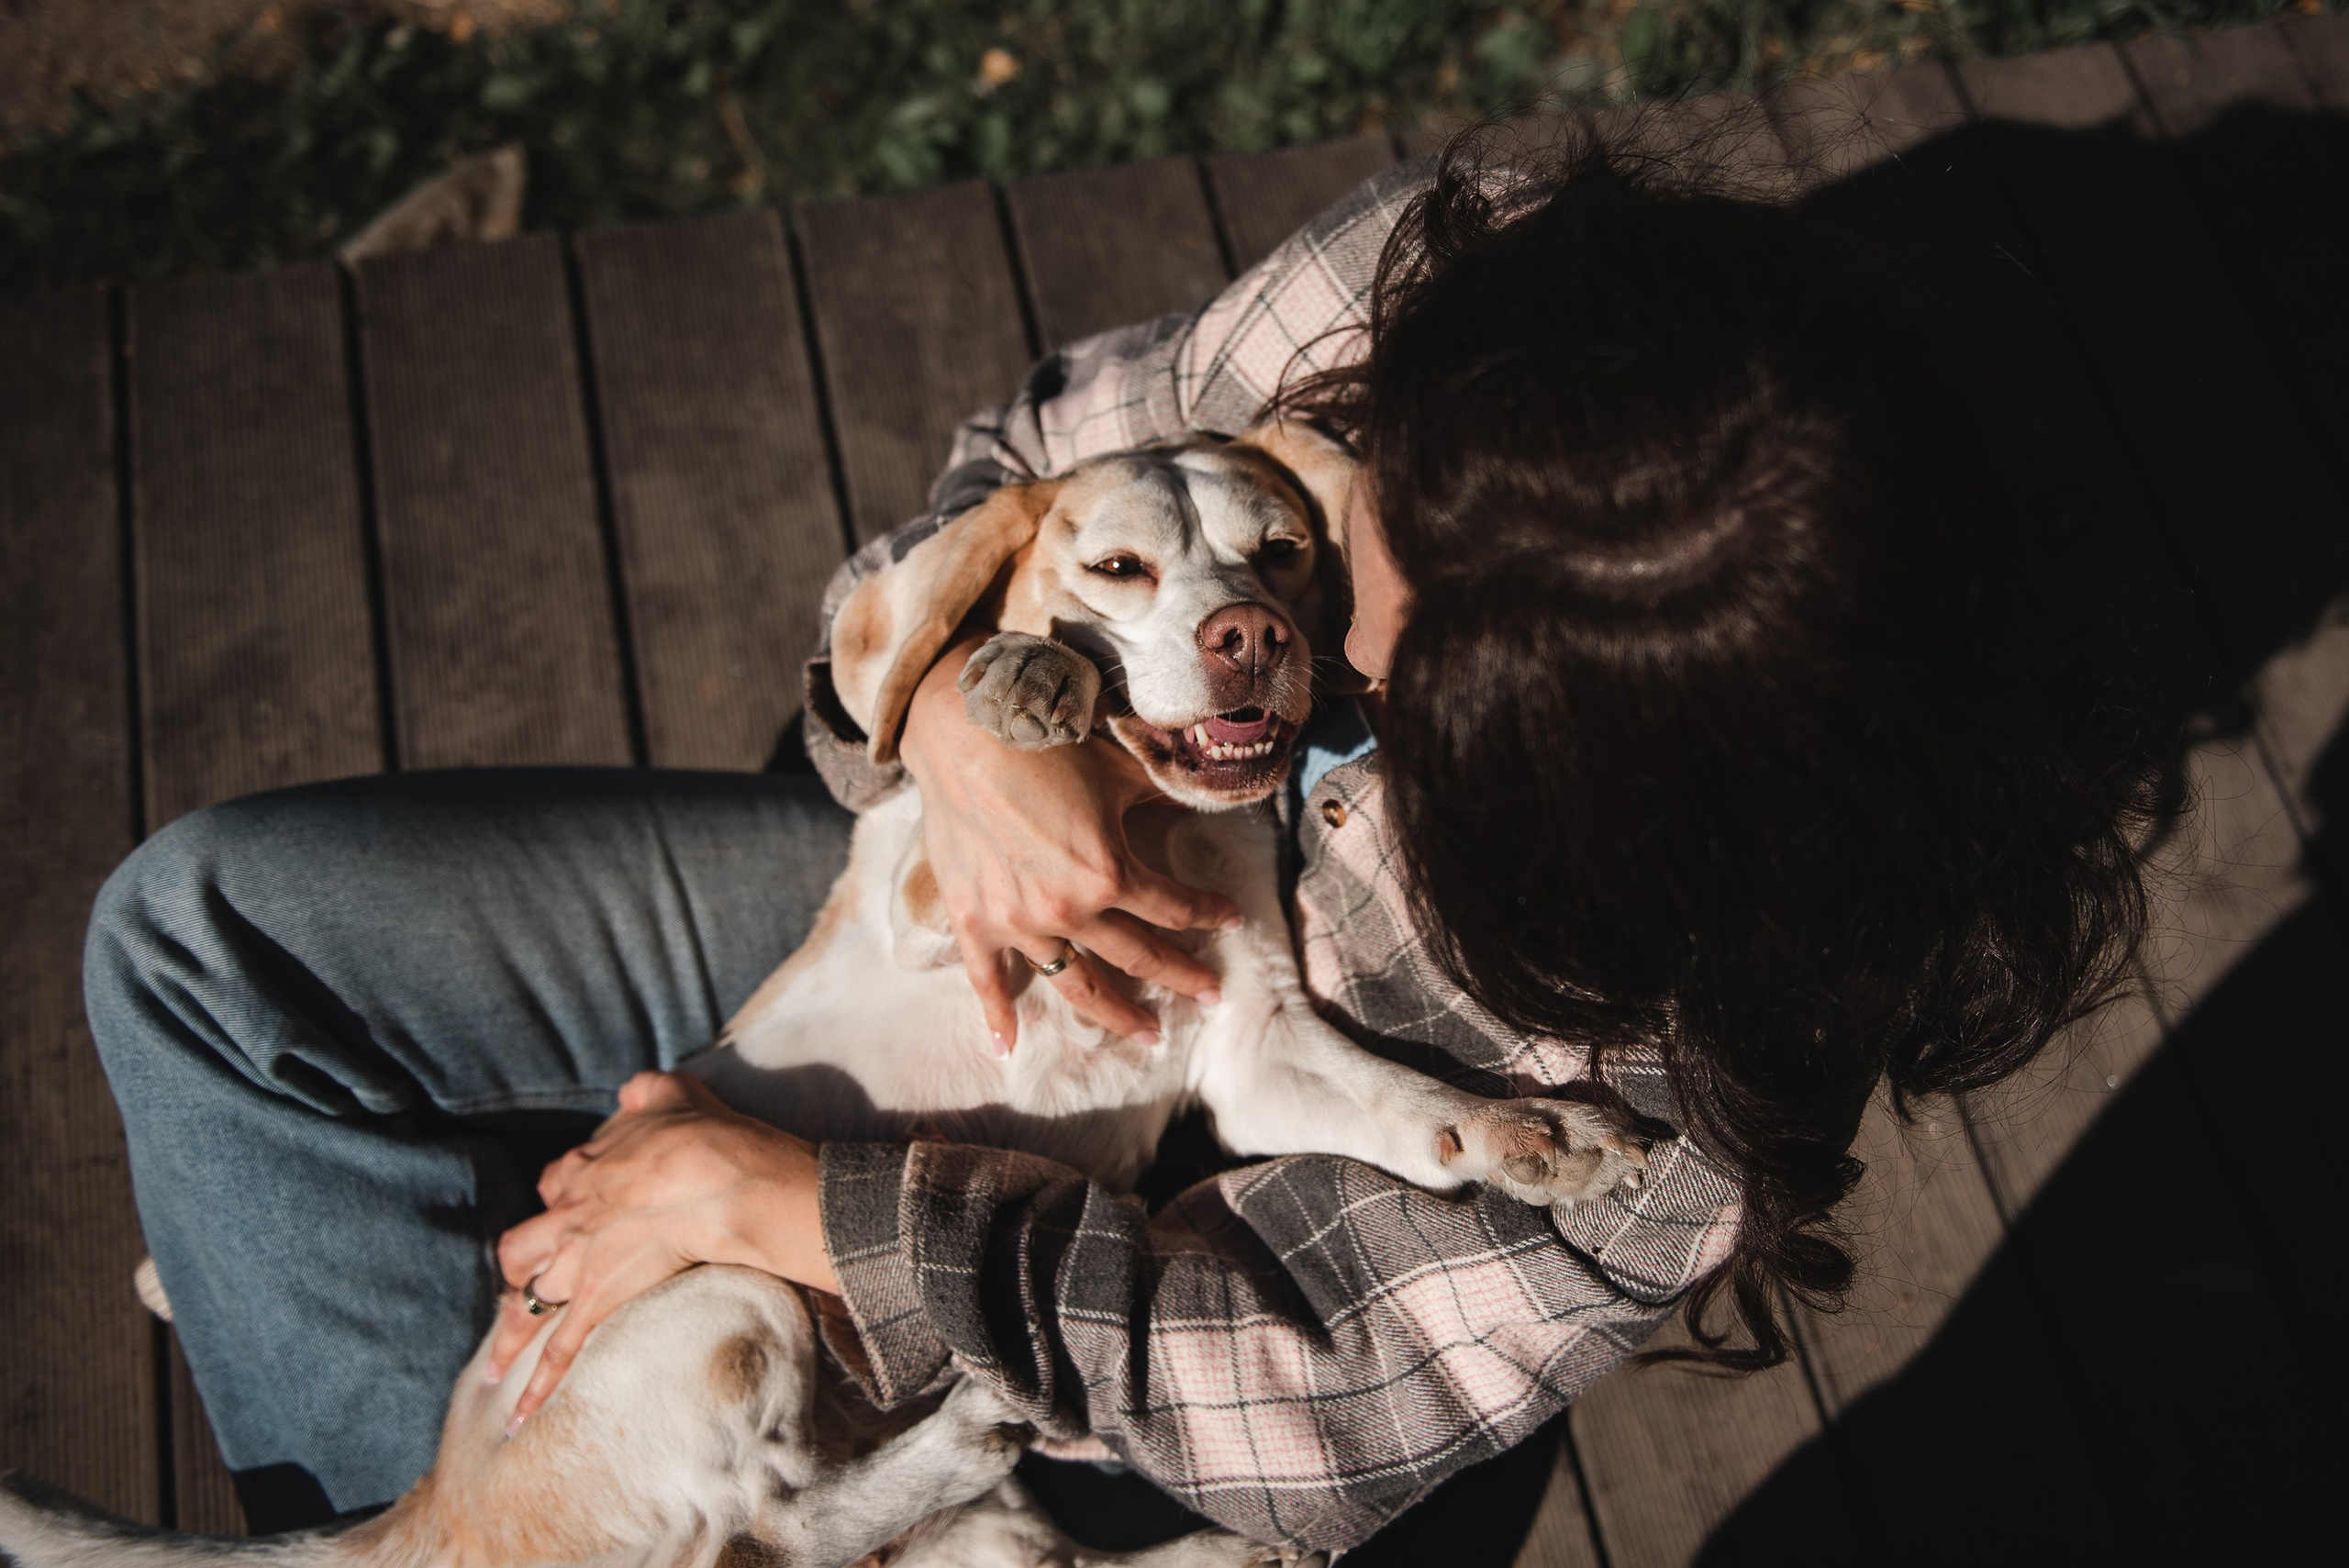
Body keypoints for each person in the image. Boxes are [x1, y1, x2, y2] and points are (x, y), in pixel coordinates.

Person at [85, 126, 2164, 1552]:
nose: (1294, 639)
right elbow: (1019, 471)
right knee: (201, 939)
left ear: (1577, 818)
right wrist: (976, 725)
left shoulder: (1704, 1063)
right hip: (931, 919)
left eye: (1399, 686)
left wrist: (790, 1206)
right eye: (1359, 524)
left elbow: (1314, 1402)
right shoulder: (1446, 297)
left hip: (1162, 1280)